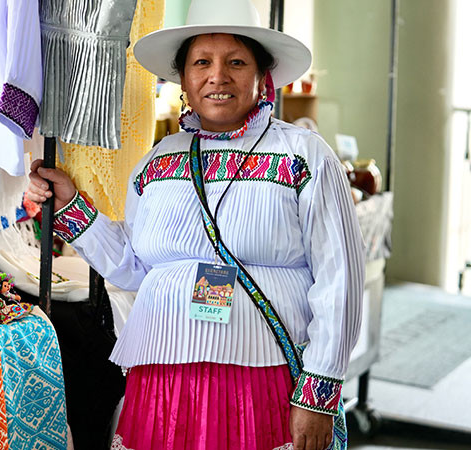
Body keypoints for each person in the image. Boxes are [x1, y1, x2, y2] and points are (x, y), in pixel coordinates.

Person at [27, 1, 364, 449]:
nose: (217, 76)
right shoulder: (157, 161)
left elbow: (339, 278)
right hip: (164, 383)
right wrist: (71, 206)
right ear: (183, 79)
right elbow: (134, 267)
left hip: (261, 380)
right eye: (201, 62)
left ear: (262, 76)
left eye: (236, 62)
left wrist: (319, 393)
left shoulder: (302, 154)